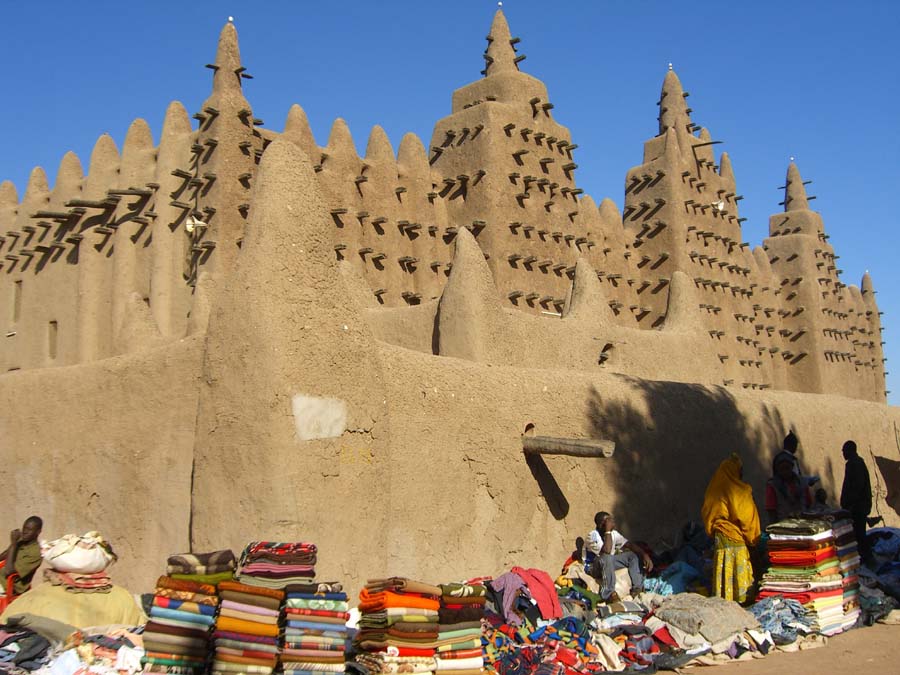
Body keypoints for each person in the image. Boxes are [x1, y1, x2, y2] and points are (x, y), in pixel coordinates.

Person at [702, 454, 761, 603]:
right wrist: (753, 539)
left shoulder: (713, 488)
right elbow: (747, 519)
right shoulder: (739, 492)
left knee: (723, 570)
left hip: (720, 537)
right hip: (736, 538)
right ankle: (742, 601)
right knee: (739, 571)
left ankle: (724, 600)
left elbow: (708, 512)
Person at [585, 511, 653, 602]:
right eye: (608, 521)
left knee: (632, 556)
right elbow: (606, 551)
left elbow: (629, 544)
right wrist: (608, 531)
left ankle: (637, 588)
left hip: (608, 562)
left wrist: (644, 555)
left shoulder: (613, 534)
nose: (612, 522)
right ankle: (608, 593)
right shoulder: (592, 536)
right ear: (602, 524)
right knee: (607, 557)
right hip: (593, 567)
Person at [840, 440, 873, 564]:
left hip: (857, 507)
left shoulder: (855, 464)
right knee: (858, 534)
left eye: (844, 450)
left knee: (858, 535)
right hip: (857, 506)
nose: (843, 453)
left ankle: (866, 559)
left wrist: (850, 505)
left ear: (850, 450)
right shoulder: (855, 463)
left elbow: (857, 486)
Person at [0, 516, 43, 596]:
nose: (25, 532)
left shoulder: (35, 553)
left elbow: (8, 571)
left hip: (9, 585)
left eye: (29, 530)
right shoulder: (21, 542)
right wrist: (14, 544)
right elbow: (2, 556)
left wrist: (14, 543)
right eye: (24, 528)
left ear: (38, 532)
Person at [765, 452, 812, 524]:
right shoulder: (773, 486)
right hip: (783, 526)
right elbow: (771, 511)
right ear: (777, 469)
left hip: (803, 524)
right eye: (782, 469)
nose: (785, 472)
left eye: (787, 468)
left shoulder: (802, 482)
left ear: (792, 467)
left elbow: (808, 504)